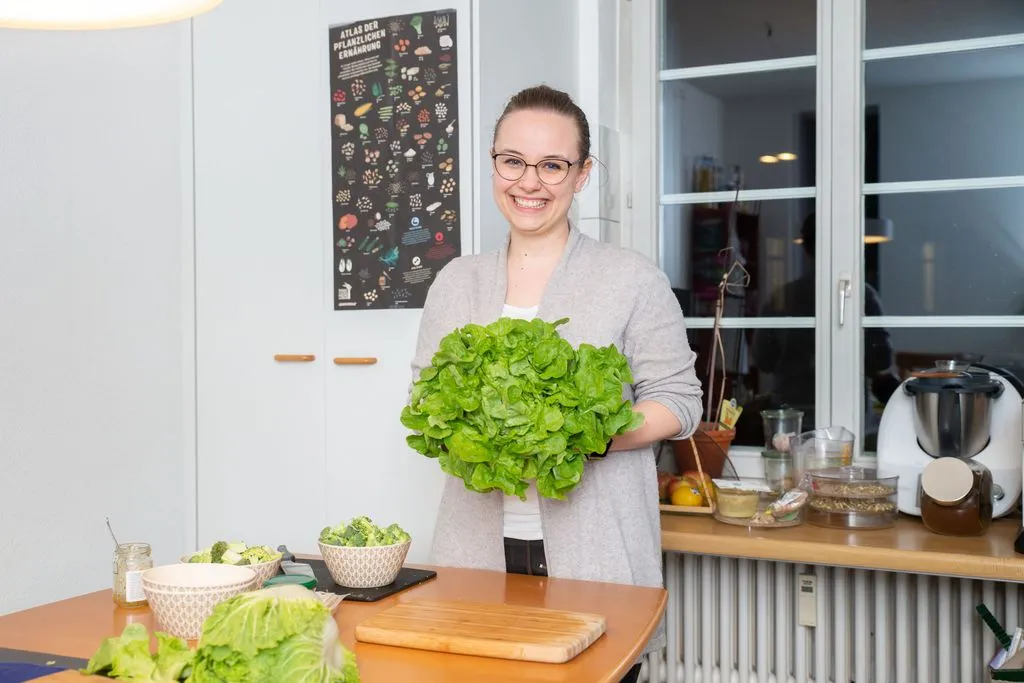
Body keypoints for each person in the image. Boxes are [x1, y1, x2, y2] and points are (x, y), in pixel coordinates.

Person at [408, 84, 703, 681]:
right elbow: (425, 399)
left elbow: (680, 402)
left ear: (582, 173)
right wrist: (474, 432)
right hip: (476, 556)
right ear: (494, 163)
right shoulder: (456, 282)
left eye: (552, 165)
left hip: (597, 557)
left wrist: (583, 436)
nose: (529, 182)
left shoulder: (631, 279)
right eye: (513, 161)